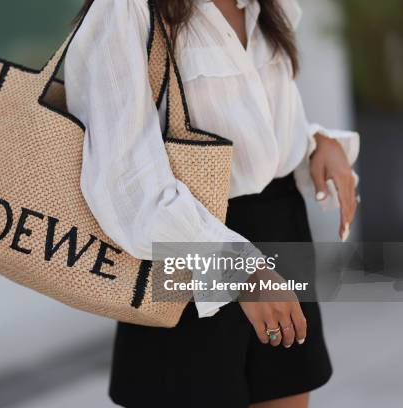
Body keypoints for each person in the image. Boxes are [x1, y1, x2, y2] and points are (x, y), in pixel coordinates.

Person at [64, 0, 360, 407]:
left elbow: (248, 124)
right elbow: (126, 177)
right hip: (185, 252)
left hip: (280, 232)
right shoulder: (128, 8)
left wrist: (316, 144)